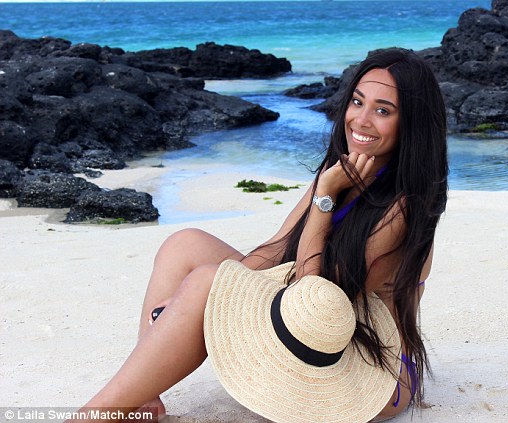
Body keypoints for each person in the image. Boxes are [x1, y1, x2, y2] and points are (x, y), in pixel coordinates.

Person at [68, 47, 448, 423]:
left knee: (206, 282)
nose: (360, 120)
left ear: (411, 123)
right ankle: (142, 394)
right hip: (303, 324)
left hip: (366, 368)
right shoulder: (340, 171)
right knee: (185, 245)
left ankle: (93, 416)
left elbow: (313, 293)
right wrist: (216, 293)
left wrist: (324, 198)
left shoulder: (403, 207)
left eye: (383, 111)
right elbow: (280, 246)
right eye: (357, 102)